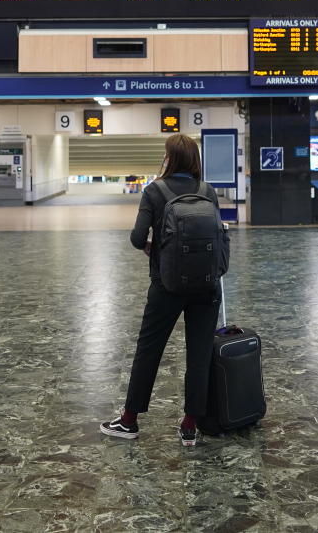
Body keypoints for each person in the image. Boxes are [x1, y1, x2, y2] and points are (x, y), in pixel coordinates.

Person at [101, 133, 221, 447]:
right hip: (206, 286)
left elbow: (138, 238)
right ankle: (190, 426)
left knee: (149, 351)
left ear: (169, 160)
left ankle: (129, 421)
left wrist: (154, 247)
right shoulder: (208, 191)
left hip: (166, 285)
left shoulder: (154, 191)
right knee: (199, 355)